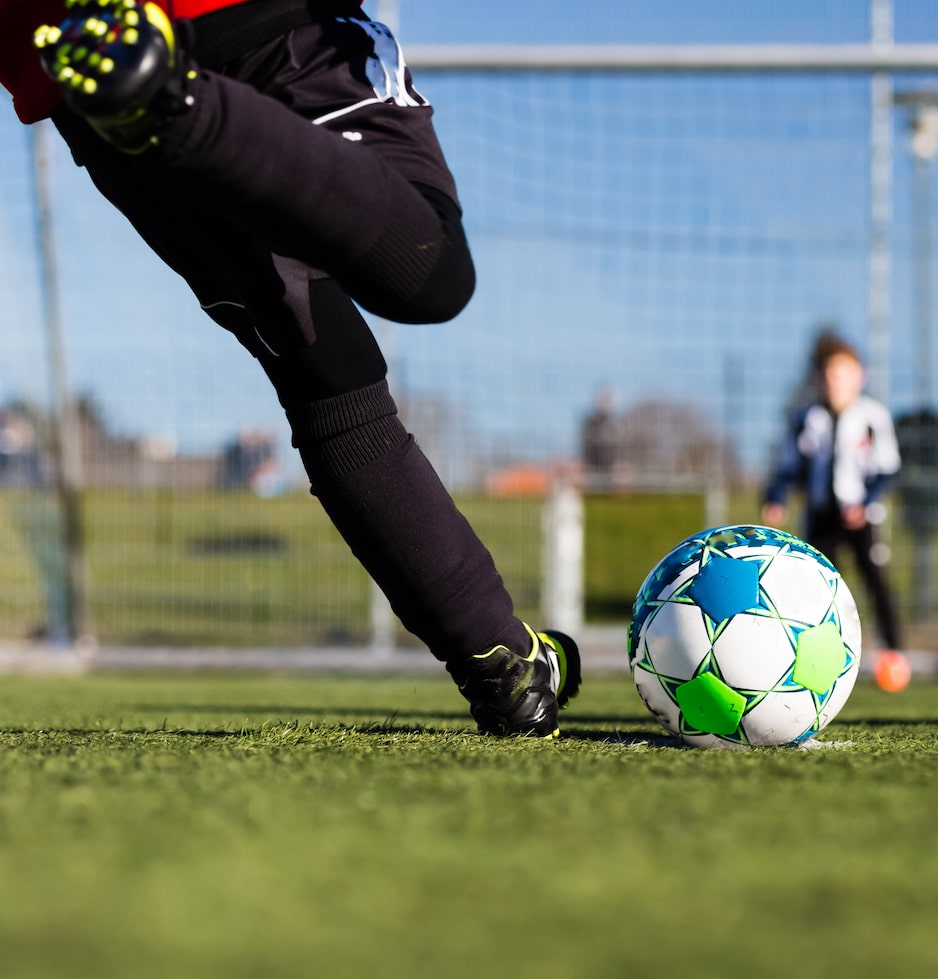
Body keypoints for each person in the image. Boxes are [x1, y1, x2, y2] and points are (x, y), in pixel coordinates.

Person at [1, 0, 579, 735]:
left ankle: (501, 661)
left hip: (91, 80)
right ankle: (178, 101)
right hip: (269, 28)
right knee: (428, 272)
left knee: (325, 368)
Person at [761, 331, 905, 665]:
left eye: (841, 375)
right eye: (827, 375)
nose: (833, 382)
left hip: (860, 515)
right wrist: (776, 498)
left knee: (874, 579)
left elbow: (887, 470)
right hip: (820, 515)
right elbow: (788, 466)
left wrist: (866, 502)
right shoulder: (806, 418)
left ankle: (894, 652)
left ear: (859, 377)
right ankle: (821, 655)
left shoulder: (873, 416)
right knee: (819, 586)